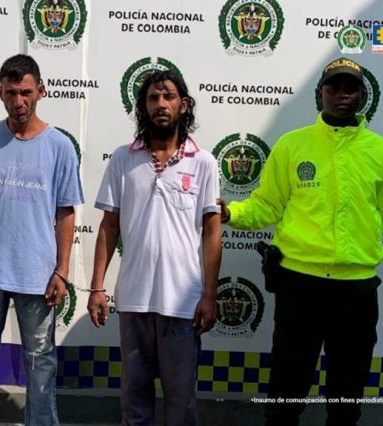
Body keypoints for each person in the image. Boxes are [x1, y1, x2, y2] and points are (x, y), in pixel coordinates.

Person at [219, 57, 383, 426]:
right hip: (300, 285)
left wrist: (354, 242)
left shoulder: (380, 151)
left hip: (356, 288)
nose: (341, 95)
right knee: (288, 386)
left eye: (349, 88)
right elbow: (267, 205)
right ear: (320, 94)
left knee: (346, 392)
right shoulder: (292, 146)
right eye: (333, 87)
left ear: (362, 95)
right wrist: (231, 214)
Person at [88, 70, 221, 426]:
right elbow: (108, 227)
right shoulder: (123, 158)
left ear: (184, 104)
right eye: (152, 98)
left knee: (181, 402)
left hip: (183, 302)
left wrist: (209, 294)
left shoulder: (203, 162)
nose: (161, 104)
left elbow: (212, 231)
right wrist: (97, 287)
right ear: (143, 107)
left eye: (169, 97)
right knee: (135, 398)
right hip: (133, 299)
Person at [0, 54, 84, 426]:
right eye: (11, 92)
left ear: (41, 91)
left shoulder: (60, 146)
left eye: (26, 92)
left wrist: (62, 271)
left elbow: (65, 212)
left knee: (41, 360)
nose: (19, 101)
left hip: (38, 272)